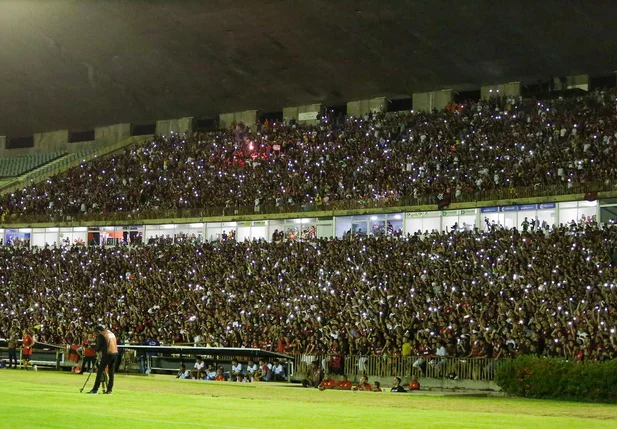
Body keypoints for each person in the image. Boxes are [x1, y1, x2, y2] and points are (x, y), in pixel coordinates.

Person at [87, 325, 118, 395]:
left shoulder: (102, 335)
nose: (95, 334)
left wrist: (92, 345)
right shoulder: (111, 333)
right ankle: (109, 390)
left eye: (95, 332)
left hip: (107, 354)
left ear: (98, 331)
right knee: (111, 373)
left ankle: (95, 389)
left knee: (100, 371)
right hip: (115, 354)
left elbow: (98, 348)